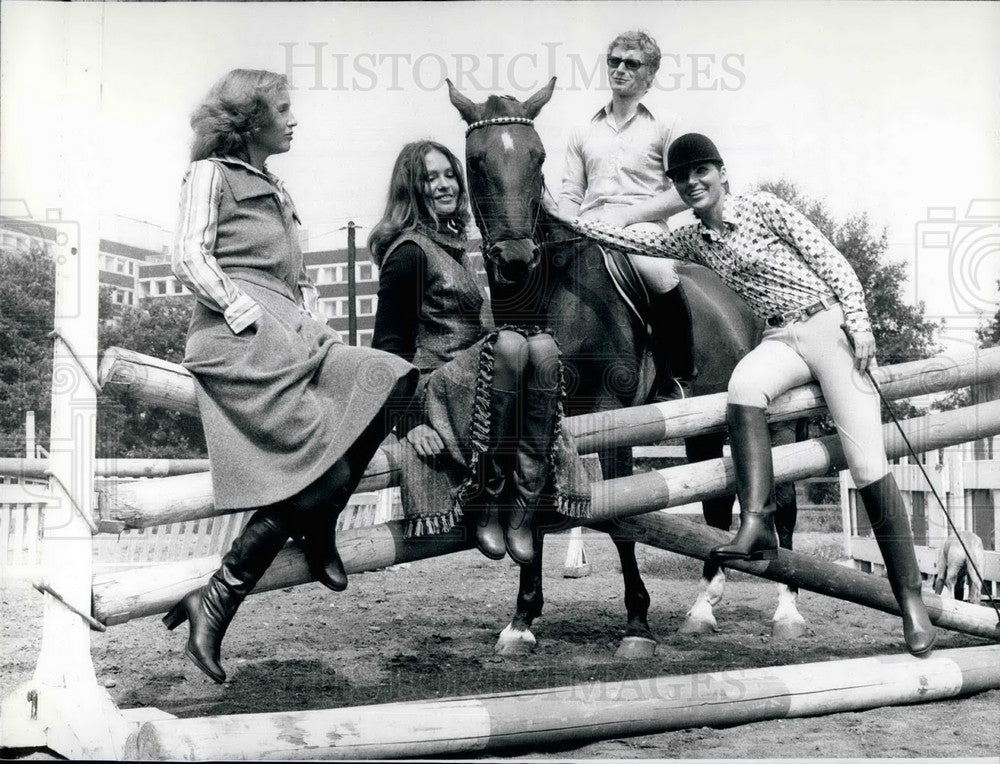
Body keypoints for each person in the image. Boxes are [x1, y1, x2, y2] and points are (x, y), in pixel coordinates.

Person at [575, 133, 936, 656]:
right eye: (682, 178)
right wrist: (558, 216)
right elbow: (625, 237)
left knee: (865, 462)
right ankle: (757, 523)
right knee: (743, 386)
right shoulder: (692, 241)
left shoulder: (764, 208)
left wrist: (860, 323)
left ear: (723, 173)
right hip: (779, 337)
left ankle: (911, 603)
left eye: (701, 172)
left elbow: (833, 263)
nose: (693, 183)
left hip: (827, 326)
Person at [163, 69, 418, 683]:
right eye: (282, 108)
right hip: (238, 336)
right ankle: (220, 597)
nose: (292, 118)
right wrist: (240, 308)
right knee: (319, 457)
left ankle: (317, 521)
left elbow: (296, 278)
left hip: (291, 330)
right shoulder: (209, 174)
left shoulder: (274, 186)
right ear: (250, 120)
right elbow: (188, 254)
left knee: (388, 376)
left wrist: (312, 322)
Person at [369, 141, 587, 566]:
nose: (445, 184)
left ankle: (522, 508)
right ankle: (485, 500)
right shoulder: (410, 252)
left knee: (542, 346)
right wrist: (407, 422)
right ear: (411, 189)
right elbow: (386, 350)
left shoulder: (454, 246)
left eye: (450, 174)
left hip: (477, 387)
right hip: (439, 387)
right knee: (509, 343)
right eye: (431, 178)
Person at [558, 29, 695, 397]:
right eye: (614, 61)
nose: (620, 69)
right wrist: (566, 224)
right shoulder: (583, 128)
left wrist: (625, 217)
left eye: (631, 64)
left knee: (655, 269)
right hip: (587, 225)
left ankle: (675, 373)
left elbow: (683, 192)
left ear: (649, 75)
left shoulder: (666, 124)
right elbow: (571, 191)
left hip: (643, 226)